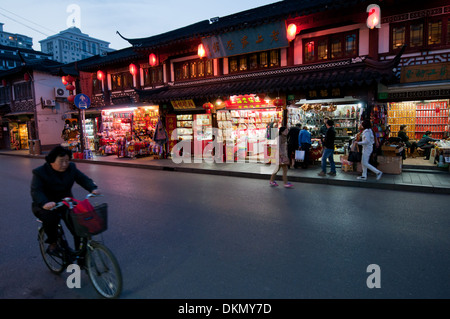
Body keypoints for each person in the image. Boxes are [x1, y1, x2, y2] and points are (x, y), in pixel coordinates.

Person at [31, 146, 101, 255]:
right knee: (51, 218)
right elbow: (36, 191)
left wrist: (93, 188)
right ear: (51, 161)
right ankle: (53, 244)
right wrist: (44, 203)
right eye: (61, 161)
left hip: (66, 202)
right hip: (46, 204)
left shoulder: (71, 168)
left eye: (67, 161)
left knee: (79, 226)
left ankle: (81, 255)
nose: (64, 164)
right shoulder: (40, 172)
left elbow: (82, 178)